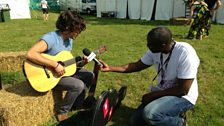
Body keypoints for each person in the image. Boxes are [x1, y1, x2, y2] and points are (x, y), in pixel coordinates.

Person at [99, 27, 200, 126]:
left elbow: (183, 90)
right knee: (136, 121)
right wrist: (110, 68)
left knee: (150, 115)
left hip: (183, 97)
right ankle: (168, 113)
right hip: (164, 91)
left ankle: (180, 122)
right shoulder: (155, 50)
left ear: (163, 45)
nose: (148, 46)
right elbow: (137, 65)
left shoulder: (185, 53)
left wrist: (153, 95)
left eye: (150, 45)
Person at [26, 10, 94, 122]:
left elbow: (66, 63)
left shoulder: (69, 40)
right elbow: (30, 54)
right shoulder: (51, 38)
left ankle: (76, 104)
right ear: (68, 27)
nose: (79, 32)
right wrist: (55, 64)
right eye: (78, 29)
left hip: (61, 74)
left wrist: (82, 63)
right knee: (78, 85)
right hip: (48, 77)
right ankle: (62, 111)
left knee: (89, 75)